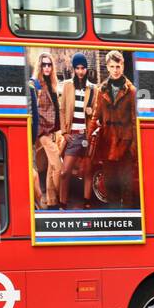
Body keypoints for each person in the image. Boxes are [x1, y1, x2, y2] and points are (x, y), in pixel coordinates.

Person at [91, 49, 138, 209]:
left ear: (123, 66)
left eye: (118, 66)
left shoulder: (131, 91)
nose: (115, 70)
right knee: (110, 186)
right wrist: (88, 139)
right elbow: (95, 116)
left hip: (125, 145)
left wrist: (133, 147)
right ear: (108, 67)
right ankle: (114, 218)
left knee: (127, 187)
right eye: (112, 66)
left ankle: (129, 223)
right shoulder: (101, 89)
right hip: (107, 143)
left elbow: (134, 120)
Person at [58, 52, 97, 209]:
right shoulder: (68, 85)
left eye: (83, 68)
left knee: (88, 171)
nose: (80, 71)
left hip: (86, 135)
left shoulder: (93, 89)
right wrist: (64, 132)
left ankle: (86, 202)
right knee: (64, 172)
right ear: (74, 69)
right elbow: (62, 109)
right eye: (77, 68)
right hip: (72, 136)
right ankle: (62, 203)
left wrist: (91, 113)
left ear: (86, 69)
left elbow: (96, 113)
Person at [28, 53, 62, 208]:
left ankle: (51, 201)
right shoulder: (35, 84)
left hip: (54, 130)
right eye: (44, 65)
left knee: (50, 169)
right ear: (39, 66)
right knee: (58, 166)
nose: (47, 67)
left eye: (49, 65)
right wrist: (40, 132)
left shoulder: (52, 84)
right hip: (43, 132)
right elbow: (34, 111)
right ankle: (60, 198)